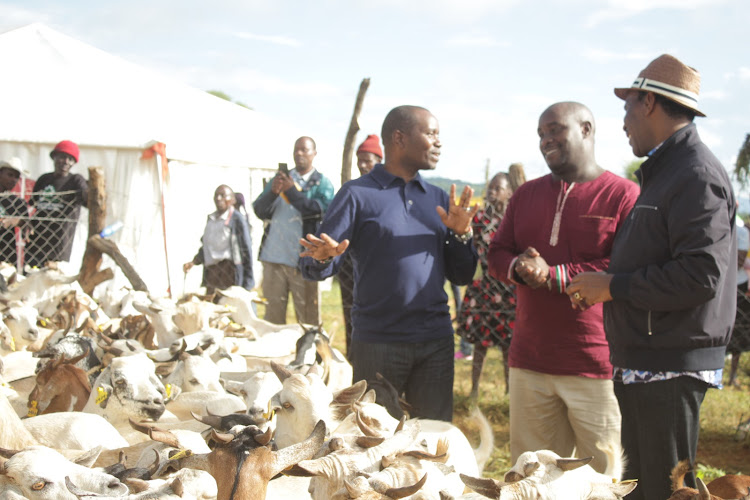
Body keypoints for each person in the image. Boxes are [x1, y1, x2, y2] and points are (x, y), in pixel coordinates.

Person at [567, 54, 737, 499]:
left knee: (668, 492)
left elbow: (701, 274)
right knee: (643, 489)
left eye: (626, 108)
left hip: (669, 366)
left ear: (647, 104)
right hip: (647, 360)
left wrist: (613, 286)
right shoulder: (668, 174)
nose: (622, 123)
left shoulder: (696, 175)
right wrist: (608, 281)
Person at [487, 102, 639, 473]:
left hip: (596, 364)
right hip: (530, 363)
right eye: (541, 133)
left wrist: (553, 274)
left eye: (555, 129)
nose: (546, 140)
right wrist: (520, 267)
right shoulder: (525, 195)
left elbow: (626, 265)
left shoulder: (623, 195)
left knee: (602, 482)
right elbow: (496, 253)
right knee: (532, 479)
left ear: (586, 129)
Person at [299, 105, 478, 421]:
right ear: (399, 138)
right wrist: (323, 258)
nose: (439, 143)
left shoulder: (436, 198)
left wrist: (462, 236)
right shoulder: (356, 194)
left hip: (435, 342)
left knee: (433, 439)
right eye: (431, 134)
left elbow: (461, 274)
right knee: (374, 442)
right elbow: (317, 260)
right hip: (378, 343)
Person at [253, 136, 334, 325]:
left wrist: (291, 192)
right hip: (273, 259)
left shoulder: (322, 183)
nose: (299, 153)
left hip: (303, 262)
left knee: (308, 320)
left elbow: (319, 211)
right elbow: (259, 210)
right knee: (272, 320)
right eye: (296, 149)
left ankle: (310, 354)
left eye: (304, 150)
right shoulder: (280, 178)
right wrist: (273, 193)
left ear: (314, 154)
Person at [456, 171, 518, 398]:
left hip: (509, 290)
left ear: (509, 193)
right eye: (490, 188)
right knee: (480, 343)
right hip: (484, 288)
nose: (492, 193)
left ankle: (510, 392)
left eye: (497, 189)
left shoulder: (515, 220)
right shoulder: (480, 219)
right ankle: (473, 391)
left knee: (507, 346)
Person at [338, 134, 384, 356]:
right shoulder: (351, 190)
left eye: (368, 160)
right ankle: (352, 357)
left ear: (379, 160)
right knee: (350, 314)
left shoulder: (386, 192)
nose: (363, 165)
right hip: (349, 266)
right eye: (360, 160)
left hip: (376, 266)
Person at [26, 140, 88, 267]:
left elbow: (88, 201)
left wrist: (90, 188)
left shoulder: (75, 180)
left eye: (70, 159)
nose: (66, 161)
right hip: (36, 242)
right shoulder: (44, 179)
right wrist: (28, 224)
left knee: (53, 282)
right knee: (31, 278)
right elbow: (33, 204)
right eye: (62, 157)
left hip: (59, 244)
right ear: (54, 157)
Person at [183, 185, 254, 295]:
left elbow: (246, 249)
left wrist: (248, 281)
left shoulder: (236, 219)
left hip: (229, 272)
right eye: (216, 195)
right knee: (212, 306)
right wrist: (194, 261)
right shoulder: (211, 219)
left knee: (229, 306)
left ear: (232, 200)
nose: (218, 198)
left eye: (223, 195)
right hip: (212, 272)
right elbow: (207, 246)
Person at [0, 158, 28, 266]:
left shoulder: (17, 203)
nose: (13, 179)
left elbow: (28, 225)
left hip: (6, 258)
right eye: (10, 175)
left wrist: (15, 221)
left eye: (17, 177)